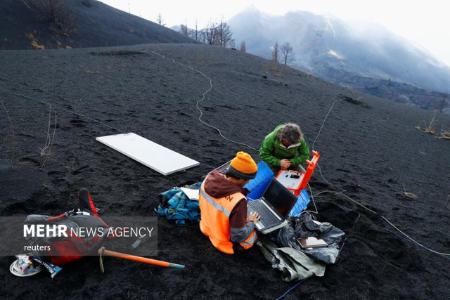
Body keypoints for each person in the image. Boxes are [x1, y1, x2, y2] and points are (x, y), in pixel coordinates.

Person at [199, 151, 260, 254]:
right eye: (248, 179)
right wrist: (251, 222)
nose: (248, 182)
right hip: (221, 240)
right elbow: (237, 237)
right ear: (241, 178)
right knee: (253, 234)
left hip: (205, 226)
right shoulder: (239, 201)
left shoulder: (209, 177)